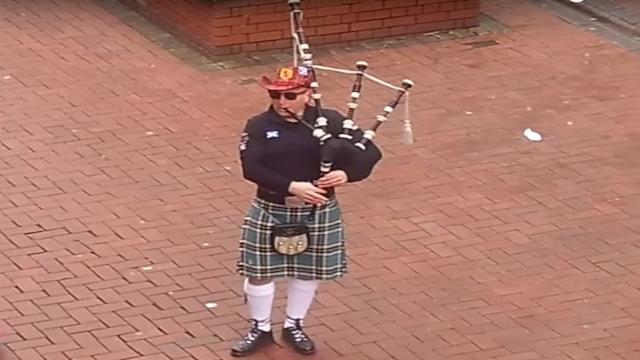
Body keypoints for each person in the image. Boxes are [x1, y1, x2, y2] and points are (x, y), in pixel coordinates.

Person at [231, 65, 382, 357]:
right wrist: (292, 186)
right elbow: (251, 168)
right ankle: (260, 328)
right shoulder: (259, 125)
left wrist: (348, 175)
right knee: (259, 272)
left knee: (308, 270)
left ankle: (294, 325)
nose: (281, 102)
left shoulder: (333, 121)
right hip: (272, 205)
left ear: (309, 95)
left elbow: (370, 153)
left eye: (290, 95)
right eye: (276, 95)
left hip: (318, 210)